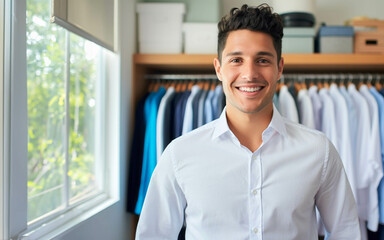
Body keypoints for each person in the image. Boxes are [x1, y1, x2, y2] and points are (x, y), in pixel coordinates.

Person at [135, 4, 361, 240]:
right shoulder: (179, 155)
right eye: (236, 60)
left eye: (262, 60)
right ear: (218, 69)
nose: (249, 74)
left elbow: (347, 232)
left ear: (279, 68)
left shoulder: (318, 151)